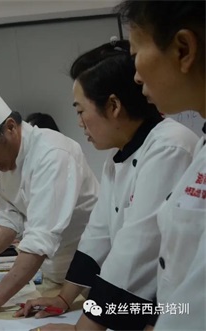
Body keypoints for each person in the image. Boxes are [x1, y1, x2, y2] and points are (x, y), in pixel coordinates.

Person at [17, 39, 198, 331]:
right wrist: (64, 299)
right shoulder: (118, 160)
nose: (80, 122)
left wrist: (83, 329)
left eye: (80, 110)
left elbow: (136, 248)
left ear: (113, 105)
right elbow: (97, 236)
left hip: (174, 305)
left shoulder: (169, 145)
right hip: (143, 304)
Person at [0, 62, 99, 313]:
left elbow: (39, 238)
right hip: (55, 278)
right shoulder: (6, 161)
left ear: (10, 127)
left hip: (93, 277)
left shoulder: (52, 154)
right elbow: (8, 217)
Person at [117, 1, 205, 330]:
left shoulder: (170, 144)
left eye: (136, 54)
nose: (137, 75)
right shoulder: (202, 144)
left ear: (183, 49)